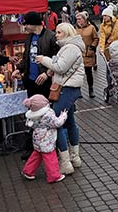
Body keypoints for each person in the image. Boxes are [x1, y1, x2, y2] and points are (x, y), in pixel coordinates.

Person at [36, 23, 85, 175]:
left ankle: (66, 162)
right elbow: (60, 65)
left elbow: (61, 66)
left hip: (66, 89)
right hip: (67, 88)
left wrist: (44, 59)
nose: (56, 35)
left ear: (66, 33)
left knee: (56, 123)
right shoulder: (69, 47)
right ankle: (74, 158)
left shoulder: (71, 48)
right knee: (69, 122)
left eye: (59, 32)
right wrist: (49, 72)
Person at [21, 94, 67, 183]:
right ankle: (54, 176)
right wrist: (63, 116)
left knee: (36, 156)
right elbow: (57, 123)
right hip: (47, 141)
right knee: (51, 158)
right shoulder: (47, 114)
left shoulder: (32, 116)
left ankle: (28, 171)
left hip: (37, 140)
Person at [13, 11, 59, 99]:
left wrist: (47, 74)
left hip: (45, 82)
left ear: (34, 23)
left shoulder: (51, 37)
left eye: (26, 24)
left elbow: (58, 60)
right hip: (30, 81)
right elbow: (26, 57)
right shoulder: (29, 37)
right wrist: (19, 69)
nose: (25, 27)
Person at [75, 11, 99, 98]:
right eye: (77, 19)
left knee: (88, 73)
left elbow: (96, 38)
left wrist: (92, 47)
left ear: (84, 19)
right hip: (78, 54)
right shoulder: (75, 29)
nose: (78, 21)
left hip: (88, 53)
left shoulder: (91, 28)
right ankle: (79, 90)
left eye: (80, 19)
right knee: (79, 74)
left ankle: (91, 89)